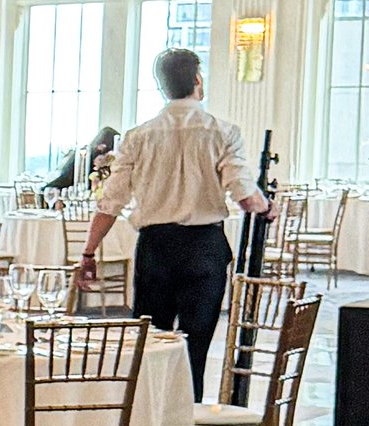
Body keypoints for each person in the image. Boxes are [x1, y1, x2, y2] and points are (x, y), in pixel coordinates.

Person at [74, 49, 268, 396]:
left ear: (162, 87)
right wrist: (267, 205)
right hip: (204, 249)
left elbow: (110, 202)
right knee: (196, 347)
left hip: (155, 249)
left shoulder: (138, 136)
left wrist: (88, 253)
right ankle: (186, 423)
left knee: (149, 346)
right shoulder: (222, 132)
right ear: (197, 80)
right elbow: (246, 198)